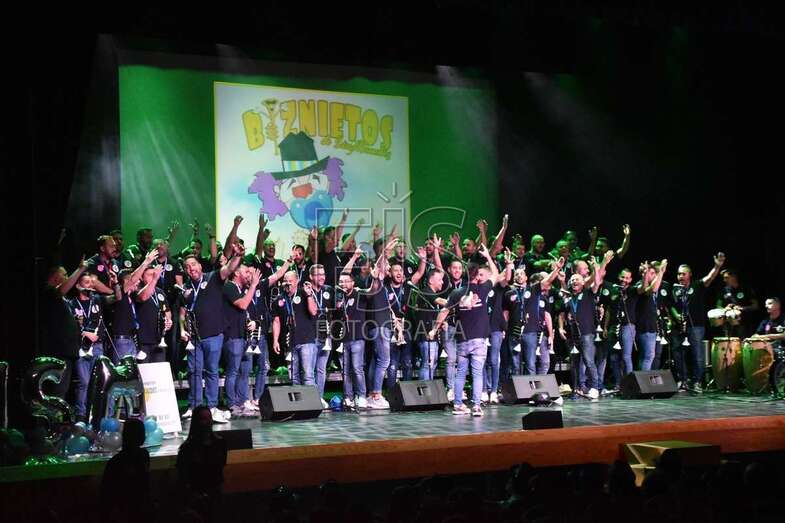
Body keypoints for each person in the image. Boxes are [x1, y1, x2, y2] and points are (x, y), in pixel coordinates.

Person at [430, 244, 506, 417]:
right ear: (477, 275)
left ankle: (458, 405)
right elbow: (495, 274)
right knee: (477, 374)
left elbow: (444, 311)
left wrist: (434, 329)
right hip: (479, 339)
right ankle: (476, 406)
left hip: (462, 339)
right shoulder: (483, 288)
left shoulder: (457, 293)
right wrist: (488, 256)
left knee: (461, 373)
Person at [180, 242, 244, 422]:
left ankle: (211, 406)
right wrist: (183, 329)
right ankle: (194, 406)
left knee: (212, 371)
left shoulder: (213, 278)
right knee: (194, 371)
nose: (191, 268)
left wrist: (237, 256)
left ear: (200, 266)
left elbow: (228, 268)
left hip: (214, 335)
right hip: (194, 338)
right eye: (187, 267)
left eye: (193, 264)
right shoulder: (185, 289)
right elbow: (182, 313)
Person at [669, 253, 725, 392]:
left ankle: (697, 381)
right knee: (677, 353)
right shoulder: (674, 289)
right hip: (678, 326)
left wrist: (717, 266)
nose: (680, 276)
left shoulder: (697, 285)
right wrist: (676, 316)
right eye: (679, 274)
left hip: (696, 326)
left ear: (690, 275)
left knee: (697, 354)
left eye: (683, 274)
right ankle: (683, 380)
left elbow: (710, 277)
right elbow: (670, 306)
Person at [176, 405, 228, 522]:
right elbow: (183, 475)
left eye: (209, 418)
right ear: (196, 422)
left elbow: (221, 466)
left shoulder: (220, 443)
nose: (208, 422)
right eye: (204, 419)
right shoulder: (187, 448)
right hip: (195, 496)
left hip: (215, 495)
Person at [100, 418, 150, 522]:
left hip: (122, 510)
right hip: (140, 507)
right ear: (142, 436)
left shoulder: (115, 461)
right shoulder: (144, 455)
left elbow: (106, 493)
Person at [635, 260, 668, 371]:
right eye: (652, 273)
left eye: (655, 273)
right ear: (644, 274)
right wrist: (661, 272)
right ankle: (644, 380)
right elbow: (652, 289)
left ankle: (642, 379)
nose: (654, 276)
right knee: (649, 356)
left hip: (651, 327)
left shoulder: (647, 285)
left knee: (645, 356)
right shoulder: (640, 286)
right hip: (645, 327)